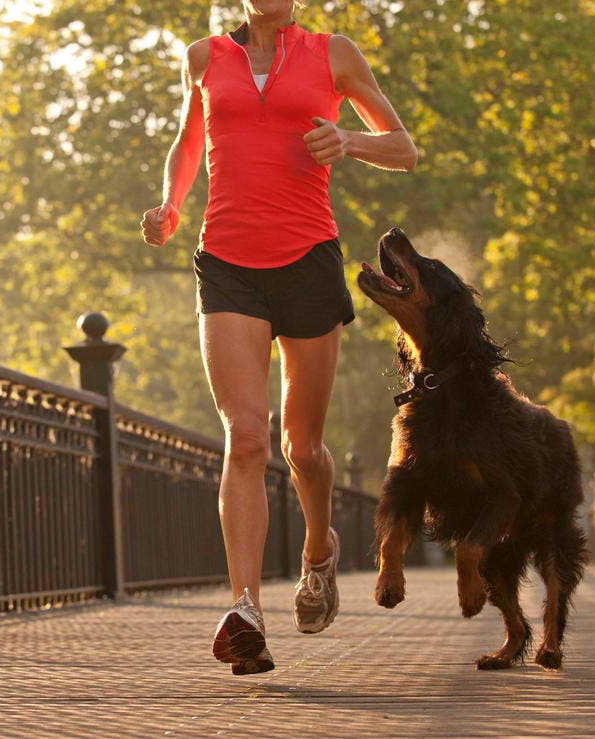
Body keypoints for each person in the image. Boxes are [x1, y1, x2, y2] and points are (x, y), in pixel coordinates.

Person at [140, 0, 416, 675]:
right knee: (247, 435)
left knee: (303, 446)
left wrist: (348, 141)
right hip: (228, 262)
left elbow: (405, 150)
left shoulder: (334, 54)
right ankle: (246, 610)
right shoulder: (205, 58)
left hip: (308, 260)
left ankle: (318, 553)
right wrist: (173, 204)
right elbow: (189, 141)